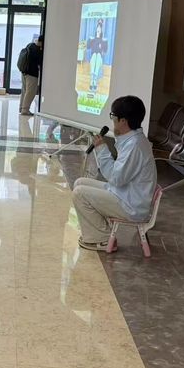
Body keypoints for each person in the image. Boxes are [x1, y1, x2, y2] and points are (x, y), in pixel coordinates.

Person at [72, 96, 157, 251]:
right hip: (126, 193)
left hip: (131, 205)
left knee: (79, 193)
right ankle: (102, 231)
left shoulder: (135, 145)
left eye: (113, 117)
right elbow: (118, 176)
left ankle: (101, 239)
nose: (112, 121)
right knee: (80, 182)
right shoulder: (134, 139)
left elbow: (116, 178)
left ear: (123, 121)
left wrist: (102, 150)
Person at [19, 34, 43, 116]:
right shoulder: (38, 51)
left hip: (24, 72)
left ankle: (21, 108)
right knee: (30, 93)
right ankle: (25, 110)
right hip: (32, 74)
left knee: (24, 91)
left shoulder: (30, 45)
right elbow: (40, 62)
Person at [88, 20, 108, 92]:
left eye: (100, 28)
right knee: (94, 56)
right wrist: (90, 40)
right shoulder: (93, 39)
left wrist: (105, 43)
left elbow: (105, 50)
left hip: (99, 58)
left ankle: (94, 80)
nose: (99, 29)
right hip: (93, 57)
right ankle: (92, 81)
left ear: (101, 30)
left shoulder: (103, 40)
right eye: (98, 28)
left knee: (98, 56)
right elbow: (88, 47)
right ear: (96, 29)